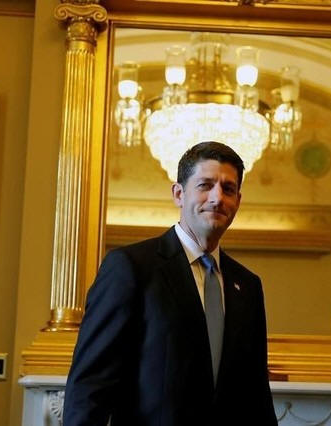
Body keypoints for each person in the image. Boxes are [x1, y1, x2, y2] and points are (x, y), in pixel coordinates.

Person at [63, 141, 278, 425]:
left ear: (238, 201)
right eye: (205, 185)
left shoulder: (247, 285)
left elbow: (257, 395)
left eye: (228, 189)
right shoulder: (131, 267)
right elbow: (90, 385)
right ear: (178, 194)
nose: (217, 198)